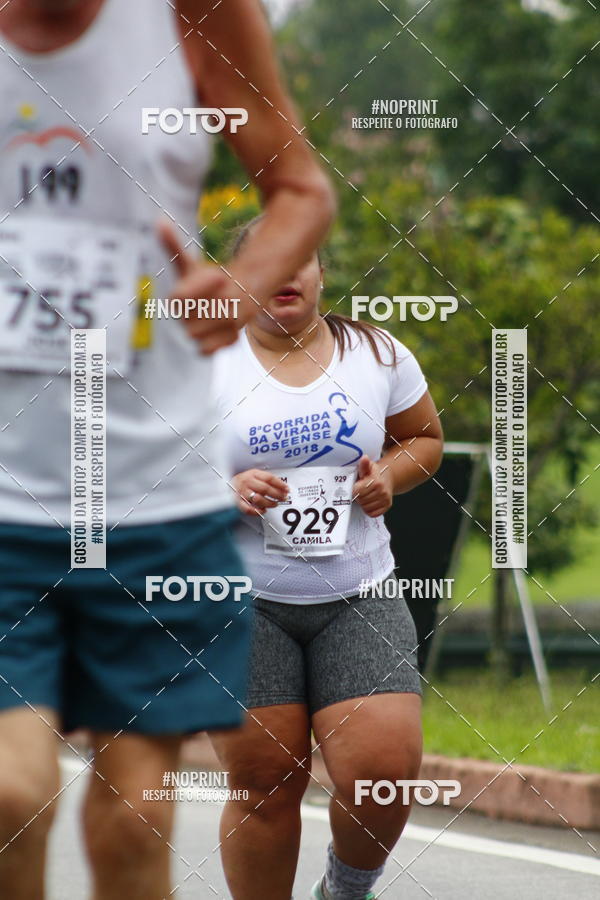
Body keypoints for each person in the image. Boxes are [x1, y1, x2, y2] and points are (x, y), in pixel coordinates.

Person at [0, 2, 334, 897]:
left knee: (136, 817)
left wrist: (241, 286)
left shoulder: (193, 10)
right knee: (9, 795)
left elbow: (300, 187)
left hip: (156, 497)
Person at [210, 219, 444, 900]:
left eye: (299, 259)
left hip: (358, 593)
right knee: (264, 784)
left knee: (382, 775)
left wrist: (388, 477)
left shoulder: (378, 353)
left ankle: (344, 888)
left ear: (321, 273)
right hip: (241, 602)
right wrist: (223, 489)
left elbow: (424, 438)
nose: (285, 274)